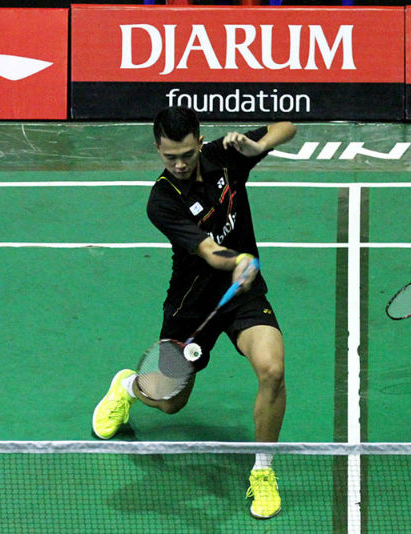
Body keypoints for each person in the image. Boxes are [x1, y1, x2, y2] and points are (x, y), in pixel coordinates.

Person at [92, 106, 296, 519]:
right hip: (192, 306)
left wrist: (257, 146)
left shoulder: (226, 155)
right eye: (170, 157)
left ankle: (262, 470)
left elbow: (286, 127)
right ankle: (127, 387)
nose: (180, 164)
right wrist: (238, 259)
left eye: (187, 154)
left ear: (200, 142)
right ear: (157, 149)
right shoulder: (162, 199)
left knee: (272, 370)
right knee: (169, 402)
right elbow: (208, 250)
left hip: (241, 295)